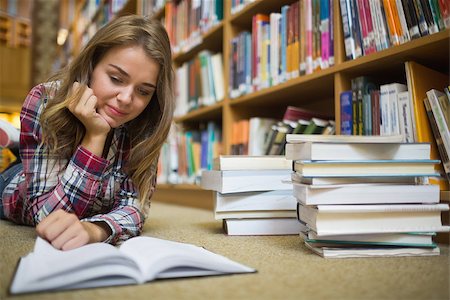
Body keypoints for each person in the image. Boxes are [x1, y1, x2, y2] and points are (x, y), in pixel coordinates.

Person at [0, 15, 175, 251]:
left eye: (143, 91)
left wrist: (95, 229)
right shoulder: (45, 100)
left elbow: (135, 207)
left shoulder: (147, 120)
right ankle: (18, 144)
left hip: (66, 174)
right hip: (14, 186)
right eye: (115, 79)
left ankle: (17, 140)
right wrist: (95, 137)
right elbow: (48, 218)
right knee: (17, 174)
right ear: (91, 65)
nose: (126, 99)